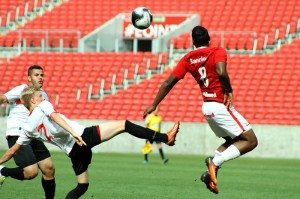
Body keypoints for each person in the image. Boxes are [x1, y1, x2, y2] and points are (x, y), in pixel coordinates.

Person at [0, 86, 180, 199]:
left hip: (73, 152)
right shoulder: (42, 106)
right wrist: (74, 134)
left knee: (82, 186)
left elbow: (12, 151)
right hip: (83, 136)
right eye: (40, 95)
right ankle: (166, 137)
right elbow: (55, 117)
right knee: (124, 124)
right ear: (33, 100)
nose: (44, 97)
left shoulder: (28, 127)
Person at [143, 26, 258, 194]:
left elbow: (168, 82)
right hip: (219, 104)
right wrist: (229, 90)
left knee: (233, 141)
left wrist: (154, 104)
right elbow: (221, 72)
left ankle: (210, 174)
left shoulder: (188, 58)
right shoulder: (217, 51)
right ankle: (214, 162)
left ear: (193, 42)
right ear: (209, 39)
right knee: (251, 140)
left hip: (207, 107)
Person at [0, 65, 56, 198]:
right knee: (31, 172)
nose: (40, 77)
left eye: (42, 75)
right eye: (37, 75)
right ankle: (3, 171)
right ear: (29, 78)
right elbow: (3, 99)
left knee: (49, 168)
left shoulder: (44, 95)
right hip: (18, 133)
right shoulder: (22, 89)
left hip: (33, 135)